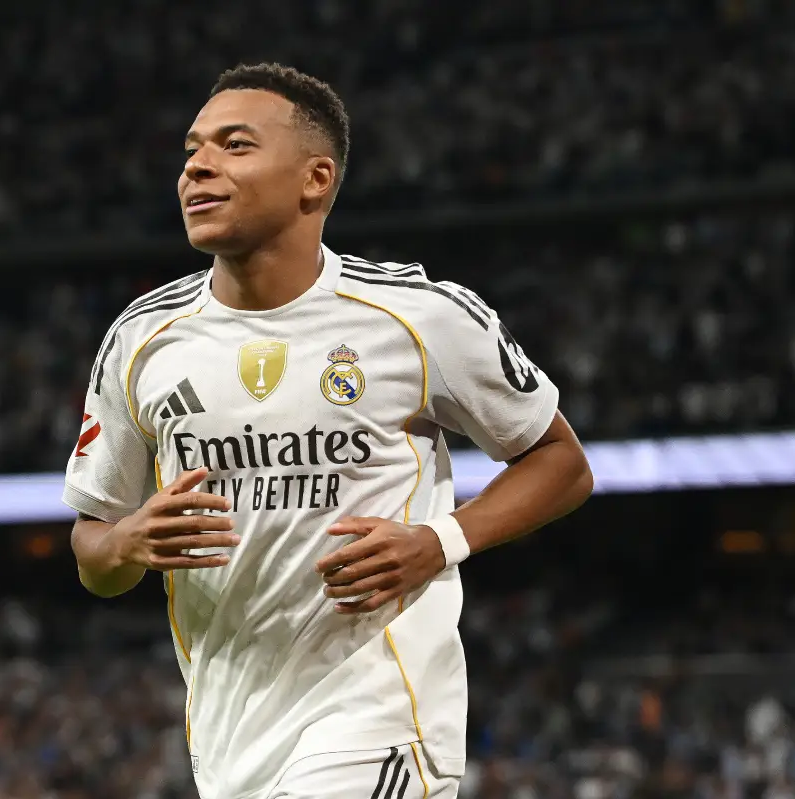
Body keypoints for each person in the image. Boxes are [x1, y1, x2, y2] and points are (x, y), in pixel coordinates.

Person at [63, 62, 593, 799]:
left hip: (378, 714)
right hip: (229, 735)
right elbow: (93, 550)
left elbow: (561, 461)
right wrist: (126, 542)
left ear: (315, 179)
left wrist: (439, 540)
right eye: (191, 150)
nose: (197, 167)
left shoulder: (419, 315)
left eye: (234, 145)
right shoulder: (143, 339)